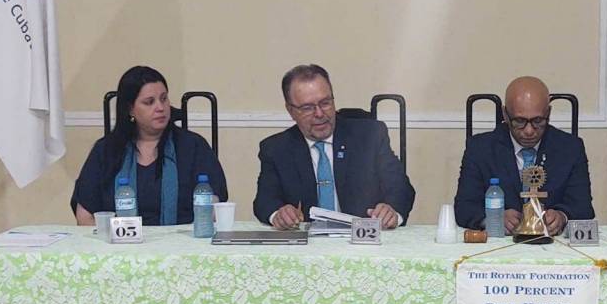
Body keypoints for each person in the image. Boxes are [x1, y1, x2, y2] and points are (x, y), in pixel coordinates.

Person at [253, 64, 415, 229]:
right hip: (308, 241)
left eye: (325, 103)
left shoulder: (370, 136)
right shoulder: (276, 149)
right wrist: (278, 214)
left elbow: (401, 188)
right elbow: (265, 201)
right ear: (291, 111)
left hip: (363, 239)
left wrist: (392, 212)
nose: (319, 114)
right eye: (307, 108)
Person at [71, 66, 227, 225]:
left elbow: (214, 209)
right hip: (118, 240)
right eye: (149, 102)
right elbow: (84, 216)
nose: (160, 108)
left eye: (164, 99)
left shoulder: (193, 146)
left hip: (182, 239)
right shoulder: (106, 150)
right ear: (130, 109)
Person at [454, 76, 594, 235]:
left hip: (551, 241)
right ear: (505, 115)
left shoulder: (570, 148)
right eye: (519, 121)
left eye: (538, 121)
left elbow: (583, 207)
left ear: (548, 113)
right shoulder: (480, 149)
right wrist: (492, 218)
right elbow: (464, 208)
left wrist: (562, 216)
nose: (529, 131)